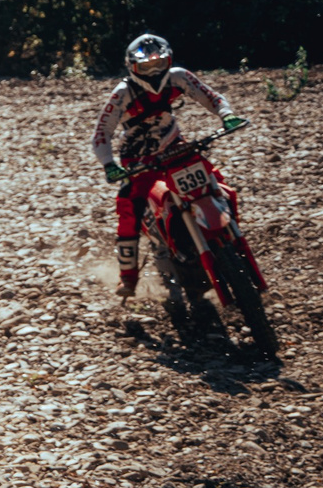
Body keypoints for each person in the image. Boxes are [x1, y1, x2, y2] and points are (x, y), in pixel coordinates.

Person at [91, 33, 247, 297]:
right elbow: (101, 133)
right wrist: (109, 164)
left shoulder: (178, 76)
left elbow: (211, 96)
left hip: (176, 146)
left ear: (169, 61)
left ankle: (231, 237)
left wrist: (227, 115)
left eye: (159, 64)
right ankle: (128, 277)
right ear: (132, 67)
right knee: (130, 205)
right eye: (146, 67)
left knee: (217, 182)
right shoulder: (122, 93)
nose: (153, 71)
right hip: (138, 157)